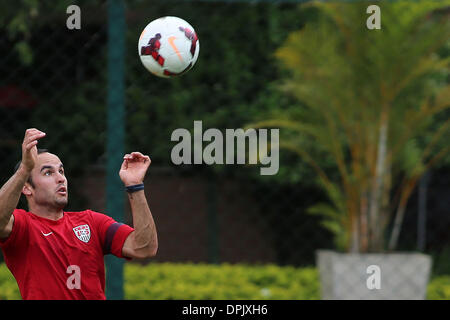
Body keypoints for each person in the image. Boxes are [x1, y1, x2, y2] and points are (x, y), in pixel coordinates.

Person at [0, 128, 158, 300]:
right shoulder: (23, 226)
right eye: (48, 172)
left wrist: (135, 186)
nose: (60, 178)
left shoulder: (92, 222)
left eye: (61, 171)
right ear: (26, 187)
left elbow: (144, 248)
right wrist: (25, 168)